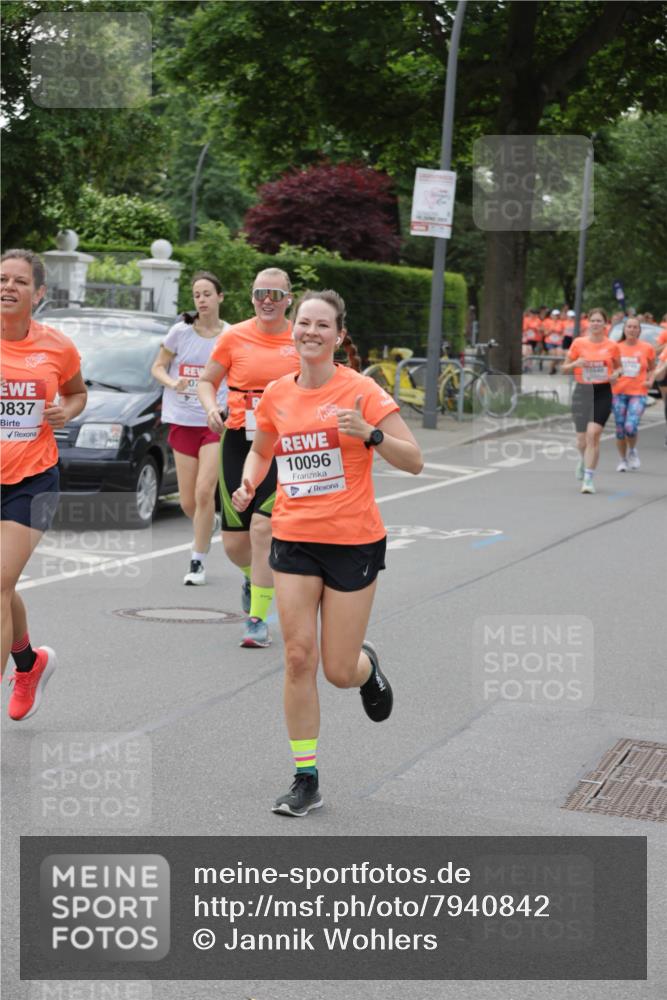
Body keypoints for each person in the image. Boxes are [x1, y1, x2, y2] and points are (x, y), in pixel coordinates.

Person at [232, 290, 423, 816]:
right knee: (298, 658)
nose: (311, 331)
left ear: (339, 336)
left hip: (353, 541)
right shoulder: (276, 393)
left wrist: (372, 434)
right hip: (294, 537)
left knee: (338, 669)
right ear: (293, 329)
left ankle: (367, 668)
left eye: (323, 325)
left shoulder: (362, 391)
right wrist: (249, 484)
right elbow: (261, 447)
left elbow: (414, 461)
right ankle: (305, 777)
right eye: (304, 323)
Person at [1, 249, 87, 720]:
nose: (7, 287)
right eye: (1, 278)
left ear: (38, 293)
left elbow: (77, 393)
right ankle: (28, 664)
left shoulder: (57, 346)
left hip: (32, 479)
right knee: (2, 583)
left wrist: (65, 412)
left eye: (18, 281)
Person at [197, 268, 300, 647]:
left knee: (262, 528)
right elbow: (208, 381)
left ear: (289, 298)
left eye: (275, 293)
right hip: (239, 439)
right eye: (260, 294)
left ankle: (257, 619)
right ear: (252, 298)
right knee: (234, 543)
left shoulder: (300, 337)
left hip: (286, 445)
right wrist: (211, 407)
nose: (267, 300)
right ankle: (252, 576)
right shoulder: (234, 335)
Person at [151, 271, 228, 585]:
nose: (202, 300)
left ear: (220, 297)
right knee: (188, 502)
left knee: (204, 490)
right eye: (197, 295)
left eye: (208, 293)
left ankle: (197, 562)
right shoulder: (180, 332)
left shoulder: (231, 335)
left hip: (214, 420)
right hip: (182, 419)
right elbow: (157, 367)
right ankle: (205, 523)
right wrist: (173, 381)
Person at [561, 307, 621, 494]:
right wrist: (575, 364)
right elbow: (564, 368)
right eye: (593, 320)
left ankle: (588, 477)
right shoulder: (578, 343)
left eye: (599, 321)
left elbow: (619, 369)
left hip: (602, 392)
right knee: (581, 440)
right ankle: (583, 459)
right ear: (588, 322)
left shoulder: (612, 345)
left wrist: (615, 375)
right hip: (582, 391)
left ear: (605, 324)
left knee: (593, 433)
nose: (596, 324)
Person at [611, 316, 655, 471]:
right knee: (620, 428)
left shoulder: (647, 348)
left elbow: (652, 369)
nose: (632, 329)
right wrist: (612, 376)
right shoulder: (616, 347)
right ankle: (622, 460)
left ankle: (632, 451)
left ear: (639, 330)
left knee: (630, 426)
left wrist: (650, 380)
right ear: (624, 329)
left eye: (635, 327)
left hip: (638, 392)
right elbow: (610, 368)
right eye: (629, 326)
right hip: (618, 392)